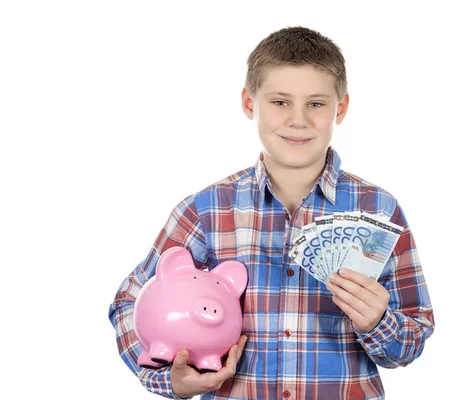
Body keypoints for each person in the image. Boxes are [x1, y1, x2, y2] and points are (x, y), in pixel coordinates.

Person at [108, 25, 435, 400]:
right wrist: (168, 380)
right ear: (250, 103)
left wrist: (378, 322)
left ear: (340, 108)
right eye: (280, 102)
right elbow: (129, 301)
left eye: (316, 103)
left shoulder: (380, 210)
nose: (298, 120)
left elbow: (413, 336)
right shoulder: (206, 210)